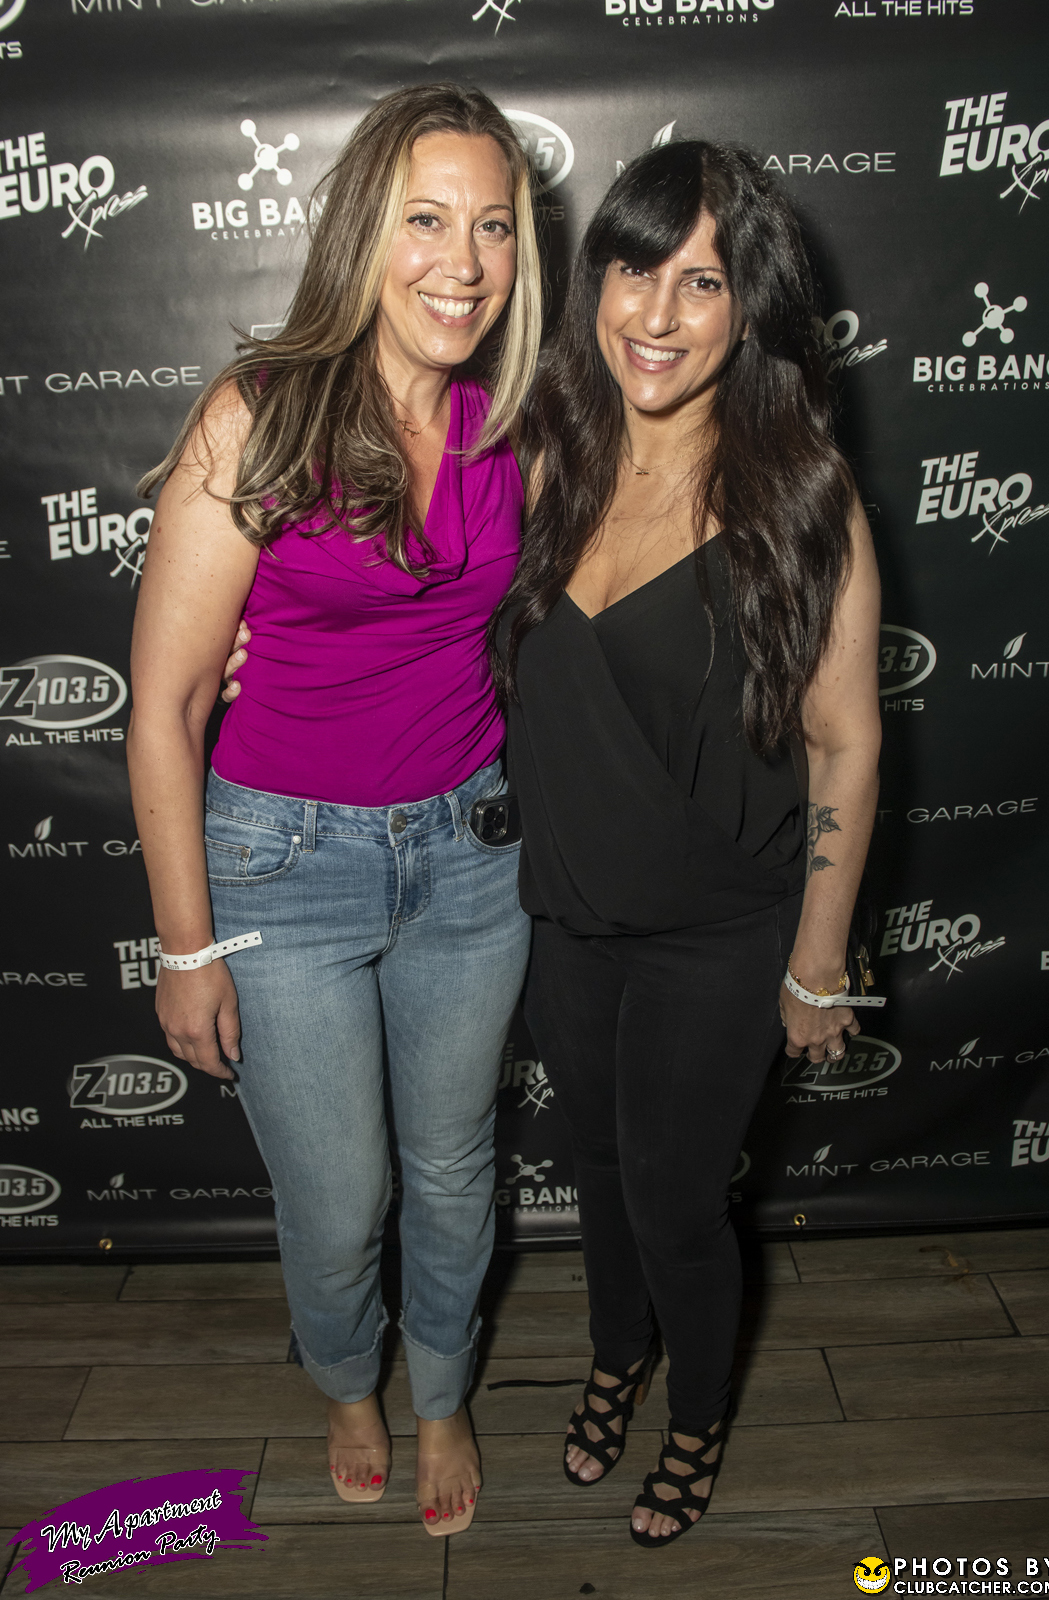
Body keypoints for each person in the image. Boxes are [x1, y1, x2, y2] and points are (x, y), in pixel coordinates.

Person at [127, 83, 541, 1536]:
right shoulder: (258, 415)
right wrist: (186, 948)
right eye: (427, 219)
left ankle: (442, 1389)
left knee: (455, 1166)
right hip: (281, 867)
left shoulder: (519, 423)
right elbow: (169, 705)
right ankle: (346, 1378)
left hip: (470, 857)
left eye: (494, 225)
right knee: (339, 1193)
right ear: (366, 230)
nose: (463, 261)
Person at [495, 140, 881, 1547]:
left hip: (720, 932)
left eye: (701, 282)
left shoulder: (802, 497)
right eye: (634, 268)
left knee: (672, 1200)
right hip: (567, 912)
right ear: (594, 280)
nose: (655, 314)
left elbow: (845, 743)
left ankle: (698, 1414)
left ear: (750, 305)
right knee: (599, 1173)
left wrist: (817, 966)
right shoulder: (542, 454)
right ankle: (616, 1356)